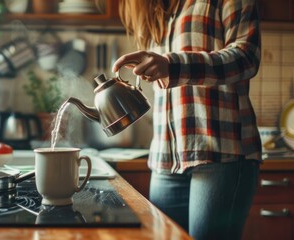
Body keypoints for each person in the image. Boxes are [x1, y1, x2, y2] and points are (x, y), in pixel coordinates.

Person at [112, 0, 262, 239]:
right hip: (165, 160)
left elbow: (247, 57)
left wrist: (173, 65)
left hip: (221, 153)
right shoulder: (154, 8)